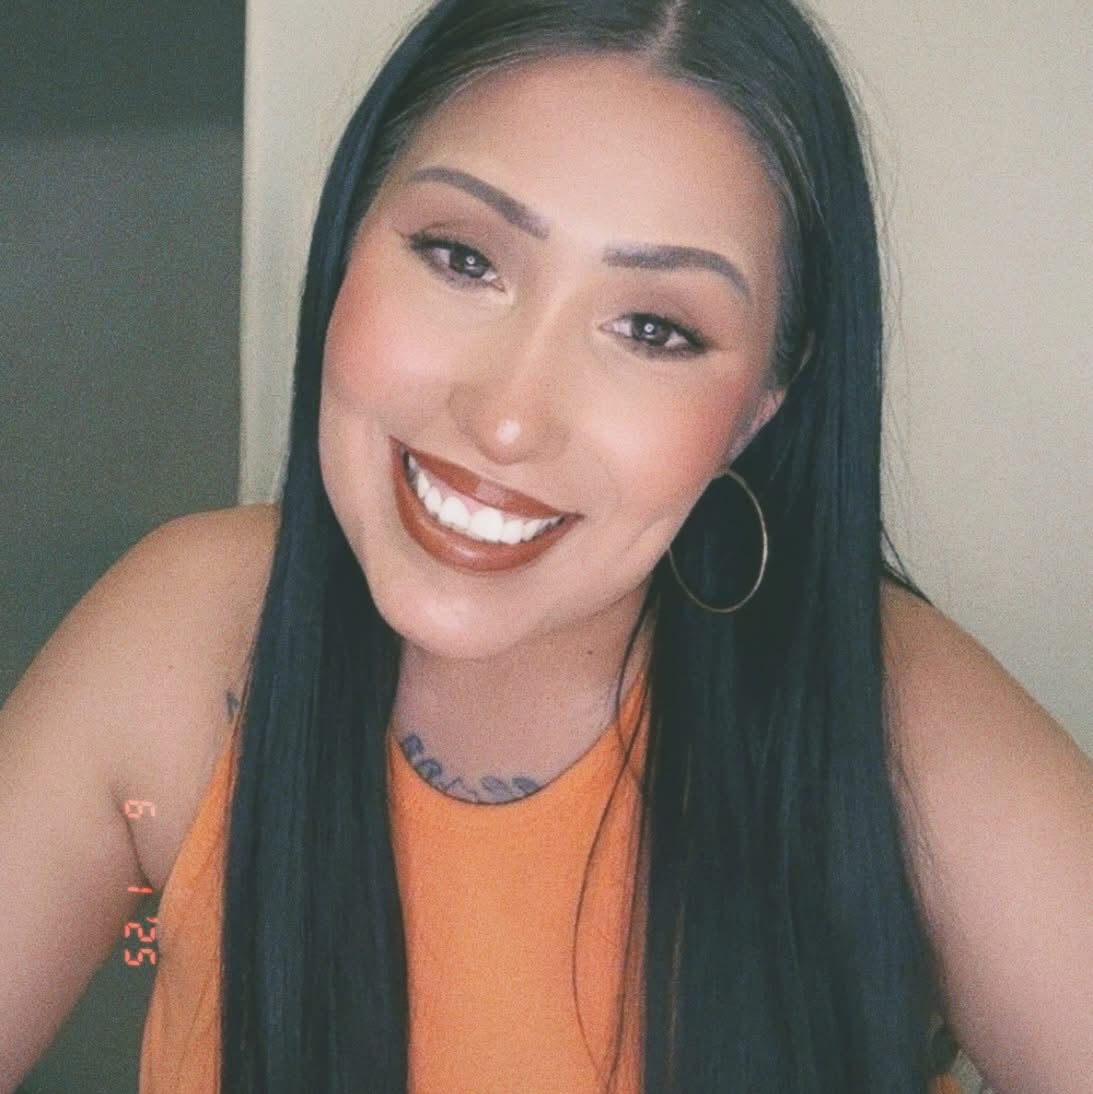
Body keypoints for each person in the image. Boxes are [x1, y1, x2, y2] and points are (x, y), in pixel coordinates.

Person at [1, 0, 1089, 1091]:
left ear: (761, 405)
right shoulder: (183, 640)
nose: (510, 418)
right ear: (349, 234)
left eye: (654, 329)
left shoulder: (899, 731)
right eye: (461, 257)